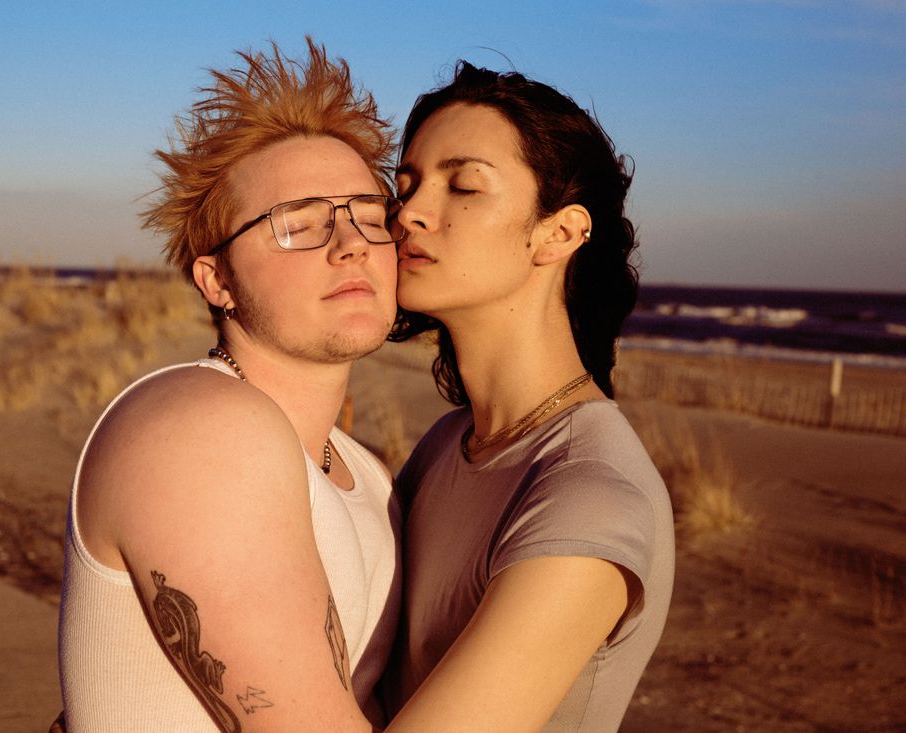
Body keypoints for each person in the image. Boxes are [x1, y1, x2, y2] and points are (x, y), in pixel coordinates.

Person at [56, 40, 403, 733]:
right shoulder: (198, 426)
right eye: (298, 224)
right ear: (216, 280)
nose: (351, 242)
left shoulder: (368, 473)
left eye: (369, 214)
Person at [381, 63, 676, 732]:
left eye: (462, 185)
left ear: (560, 233)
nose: (410, 212)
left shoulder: (586, 493)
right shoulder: (445, 448)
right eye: (407, 184)